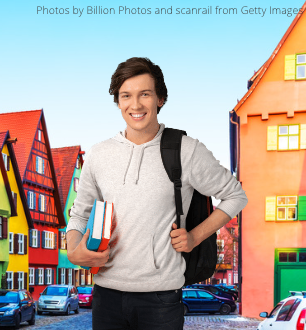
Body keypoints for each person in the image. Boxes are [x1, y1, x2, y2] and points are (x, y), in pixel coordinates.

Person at [65, 57, 247, 330]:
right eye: (126, 95)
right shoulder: (98, 155)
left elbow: (236, 195)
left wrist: (195, 236)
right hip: (106, 297)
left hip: (161, 300)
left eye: (145, 94)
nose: (135, 105)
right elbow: (80, 214)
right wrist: (73, 251)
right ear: (118, 101)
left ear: (160, 99)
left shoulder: (186, 150)